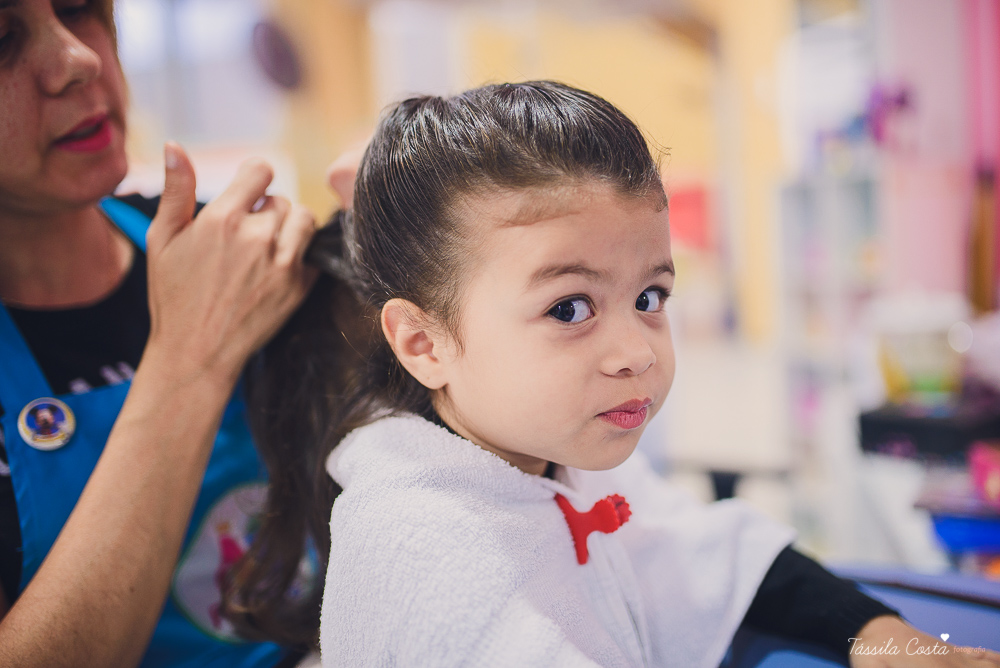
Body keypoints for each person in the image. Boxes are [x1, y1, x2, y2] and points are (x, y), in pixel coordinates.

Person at [0, 0, 319, 665]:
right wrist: (190, 362)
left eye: (81, 8)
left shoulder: (233, 255)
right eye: (2, 40)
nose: (77, 60)